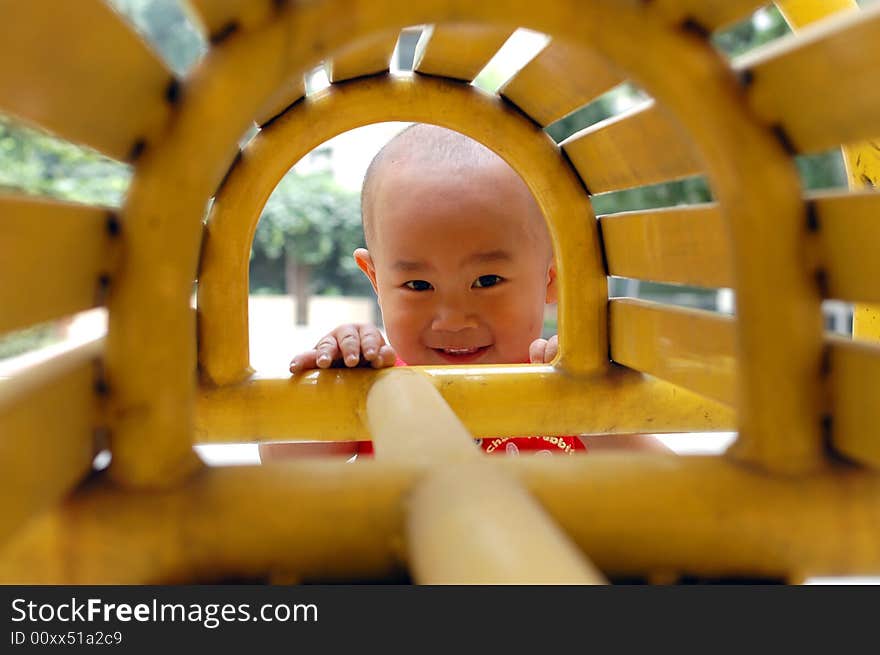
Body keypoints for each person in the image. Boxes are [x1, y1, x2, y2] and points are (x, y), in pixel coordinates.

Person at [260, 124, 668, 461]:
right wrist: (331, 386)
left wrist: (598, 405)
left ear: (552, 277)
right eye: (418, 285)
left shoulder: (567, 383)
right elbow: (281, 463)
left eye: (487, 281)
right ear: (375, 281)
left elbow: (663, 490)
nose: (453, 320)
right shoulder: (380, 388)